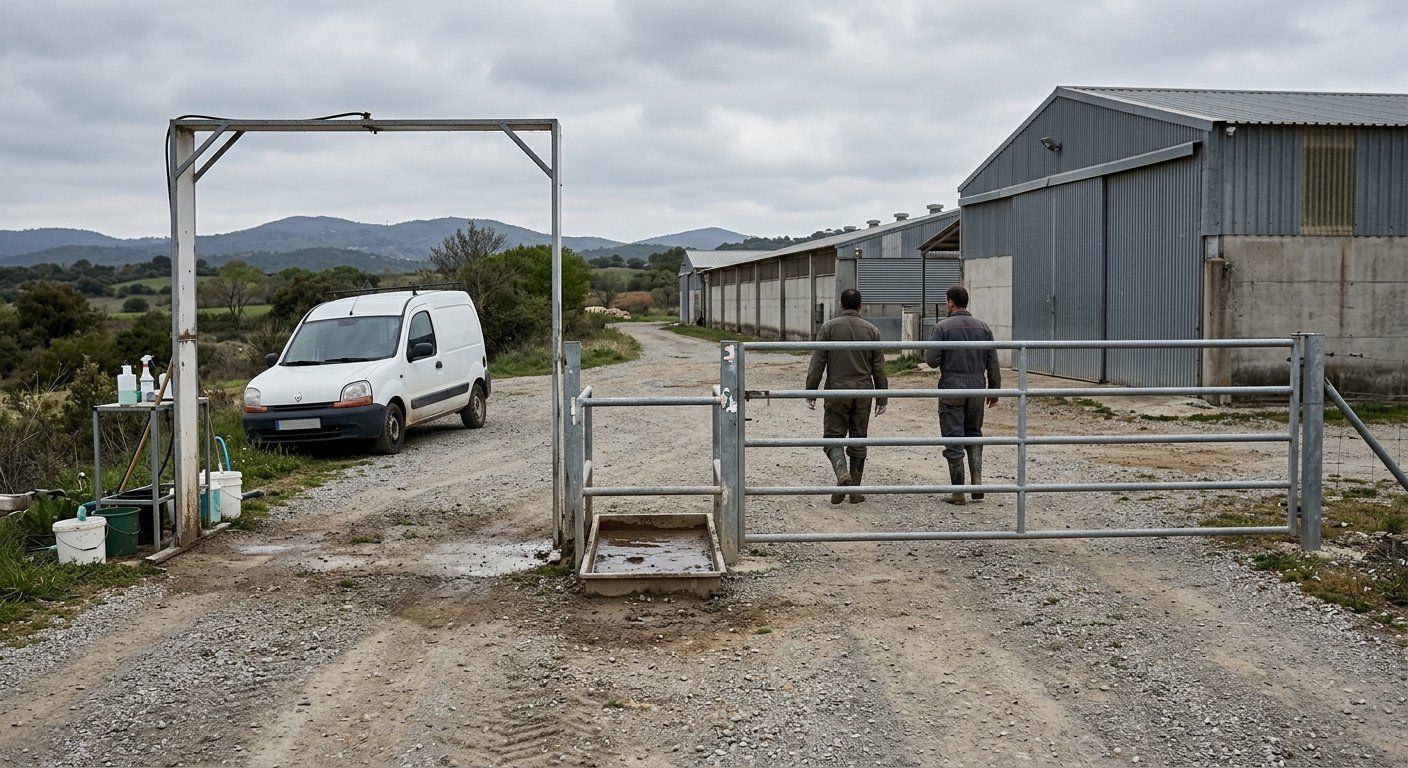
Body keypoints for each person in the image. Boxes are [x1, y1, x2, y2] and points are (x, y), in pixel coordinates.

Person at [805, 289, 888, 504]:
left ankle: (843, 475)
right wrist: (882, 397)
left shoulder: (829, 328)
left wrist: (811, 391)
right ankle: (855, 491)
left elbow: (818, 363)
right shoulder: (872, 331)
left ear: (841, 305)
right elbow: (879, 368)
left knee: (833, 437)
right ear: (860, 307)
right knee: (858, 440)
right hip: (863, 393)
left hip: (837, 392)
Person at [925, 286, 1000, 505]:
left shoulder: (942, 327)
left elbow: (931, 360)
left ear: (950, 303)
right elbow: (992, 361)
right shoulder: (983, 327)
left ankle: (958, 492)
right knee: (974, 432)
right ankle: (977, 484)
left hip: (952, 386)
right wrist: (995, 390)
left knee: (953, 436)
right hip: (977, 386)